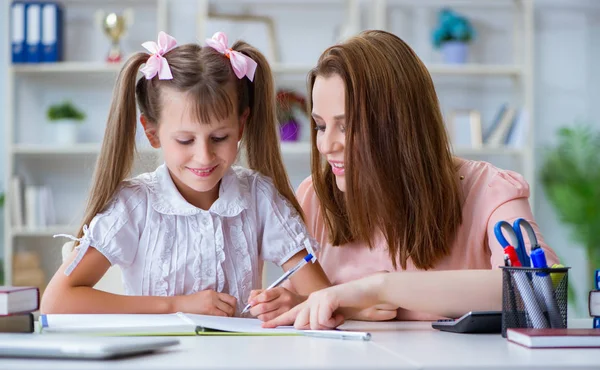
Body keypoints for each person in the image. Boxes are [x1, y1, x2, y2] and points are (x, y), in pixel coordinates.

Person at [257, 30, 558, 329]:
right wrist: (314, 305)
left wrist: (380, 288)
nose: (326, 145)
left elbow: (539, 287)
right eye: (321, 126)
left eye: (346, 127)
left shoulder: (489, 190)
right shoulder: (315, 197)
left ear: (398, 127)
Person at [41, 31, 330, 317]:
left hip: (240, 361)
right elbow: (57, 302)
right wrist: (177, 305)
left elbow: (323, 297)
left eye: (219, 138)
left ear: (241, 126)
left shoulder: (259, 197)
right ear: (152, 132)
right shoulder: (134, 205)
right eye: (185, 141)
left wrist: (294, 301)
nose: (204, 156)